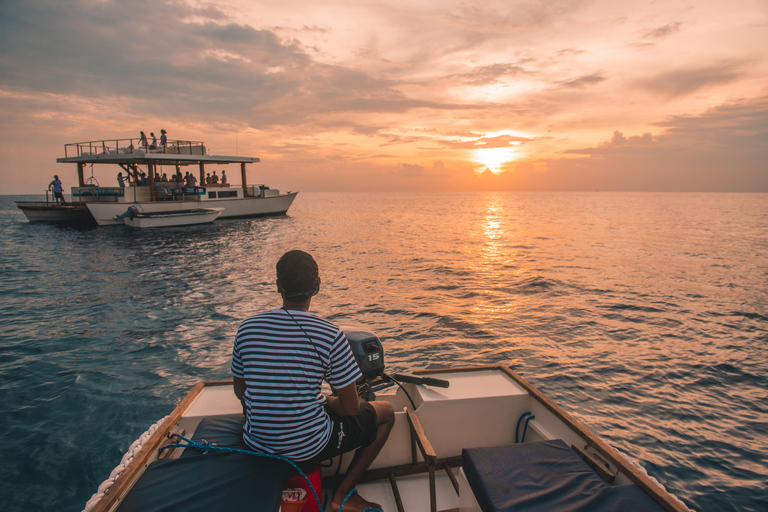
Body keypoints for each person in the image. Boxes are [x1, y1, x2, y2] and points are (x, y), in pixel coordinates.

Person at [232, 251, 394, 512]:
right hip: (308, 448)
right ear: (317, 285)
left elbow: (241, 391)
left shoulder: (247, 328)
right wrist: (328, 401)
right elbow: (351, 408)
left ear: (278, 286)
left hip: (257, 443)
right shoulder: (330, 334)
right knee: (386, 412)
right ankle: (343, 495)